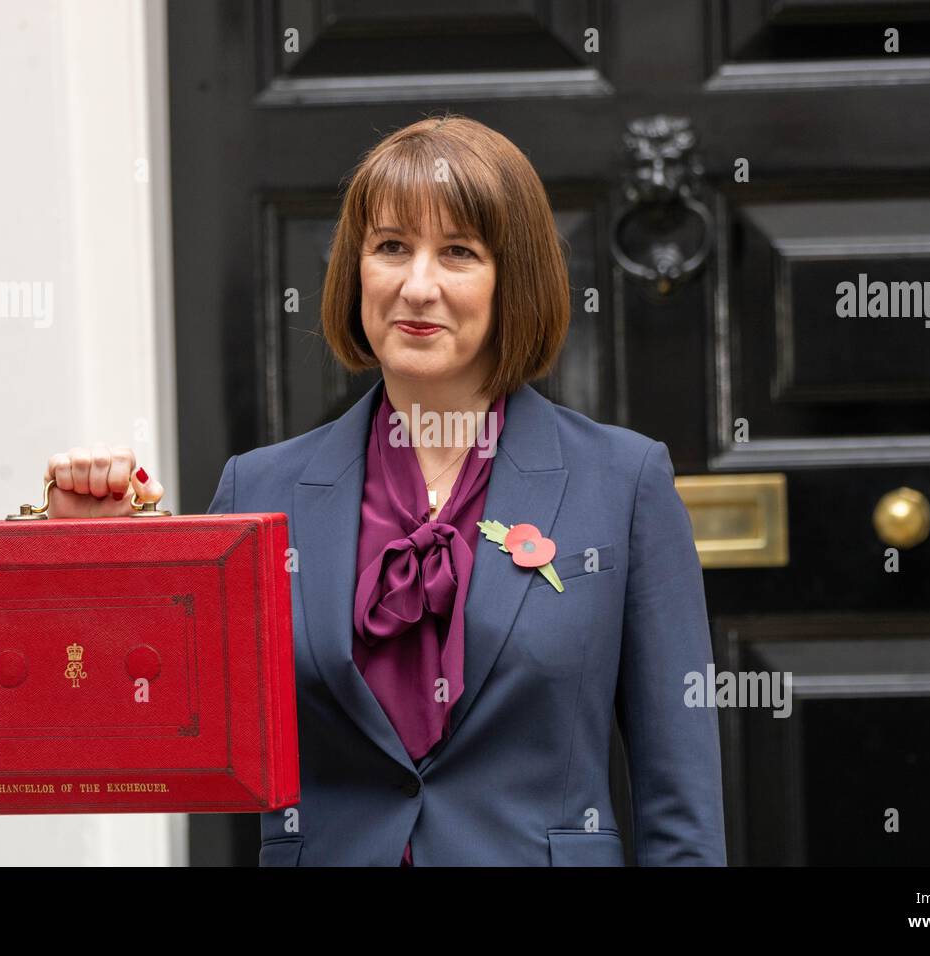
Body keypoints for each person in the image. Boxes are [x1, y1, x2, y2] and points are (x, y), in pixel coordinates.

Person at [45, 113, 726, 866]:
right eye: (392, 247)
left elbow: (680, 803)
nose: (417, 285)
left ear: (514, 280)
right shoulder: (260, 489)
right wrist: (89, 552)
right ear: (355, 271)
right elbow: (146, 728)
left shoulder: (624, 483)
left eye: (459, 253)